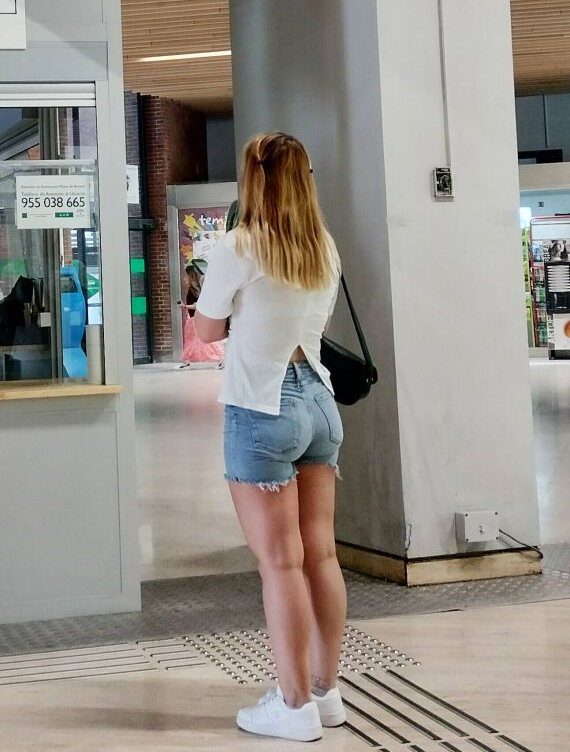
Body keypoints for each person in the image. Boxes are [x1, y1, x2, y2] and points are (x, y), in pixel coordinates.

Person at [190, 132, 346, 742]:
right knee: (322, 555)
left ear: (253, 180)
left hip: (263, 405)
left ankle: (293, 703)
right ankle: (327, 692)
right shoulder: (323, 247)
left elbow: (207, 328)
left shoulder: (237, 246)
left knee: (280, 564)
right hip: (319, 401)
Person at [175, 263, 225, 366]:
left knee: (195, 341)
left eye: (186, 275)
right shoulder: (200, 289)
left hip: (195, 319)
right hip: (198, 318)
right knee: (196, 341)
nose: (185, 277)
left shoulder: (193, 290)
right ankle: (187, 361)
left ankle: (186, 361)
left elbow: (197, 305)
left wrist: (184, 306)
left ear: (191, 276)